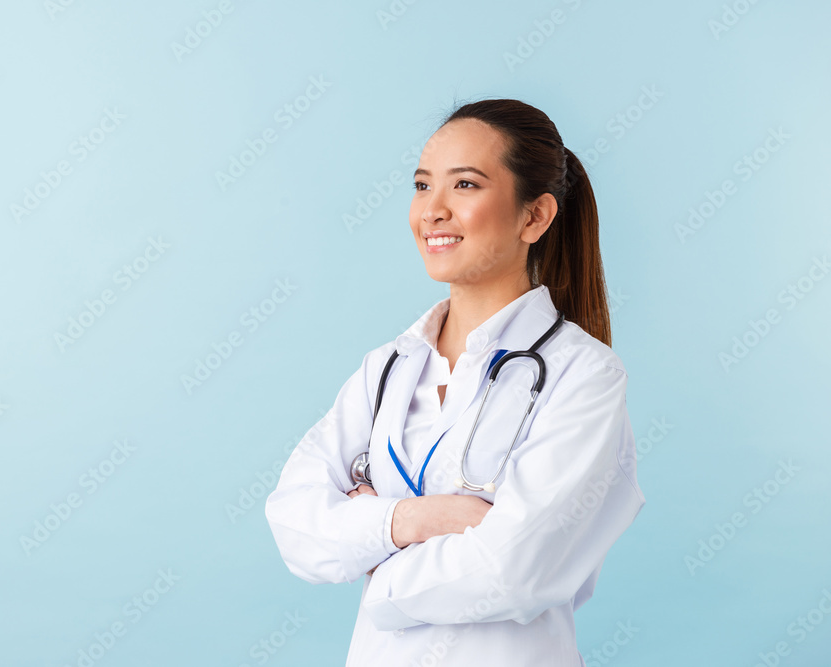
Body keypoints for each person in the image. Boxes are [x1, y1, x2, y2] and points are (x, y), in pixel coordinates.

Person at [264, 98, 646, 666]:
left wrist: (374, 561)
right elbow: (295, 526)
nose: (432, 210)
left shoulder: (582, 374)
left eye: (465, 186)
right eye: (422, 186)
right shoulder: (388, 368)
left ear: (534, 217)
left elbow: (513, 570)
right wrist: (418, 519)